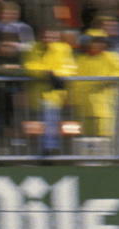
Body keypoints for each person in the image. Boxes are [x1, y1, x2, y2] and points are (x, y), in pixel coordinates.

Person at [24, 25, 77, 156]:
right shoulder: (32, 48)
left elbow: (71, 68)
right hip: (37, 91)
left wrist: (56, 74)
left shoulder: (64, 48)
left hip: (54, 92)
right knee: (40, 123)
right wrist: (45, 73)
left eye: (52, 36)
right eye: (46, 36)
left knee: (51, 120)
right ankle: (40, 151)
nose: (48, 38)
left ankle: (50, 149)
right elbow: (29, 66)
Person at [71, 29, 119, 139]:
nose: (98, 44)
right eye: (95, 41)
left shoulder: (112, 57)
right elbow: (73, 82)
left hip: (103, 108)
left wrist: (106, 80)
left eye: (101, 41)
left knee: (104, 137)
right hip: (84, 108)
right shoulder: (80, 60)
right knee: (86, 138)